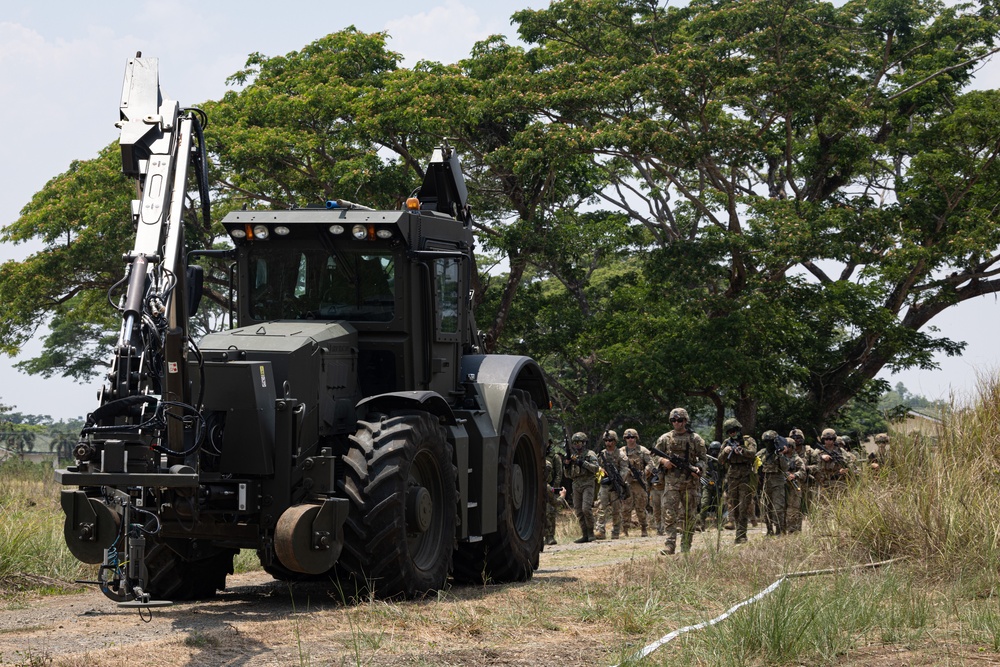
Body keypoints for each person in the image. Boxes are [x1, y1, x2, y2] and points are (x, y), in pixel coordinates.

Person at [652, 408, 706, 555]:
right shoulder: (665, 438)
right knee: (669, 514)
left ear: (685, 421)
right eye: (674, 420)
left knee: (689, 515)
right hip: (671, 483)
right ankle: (669, 545)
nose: (677, 423)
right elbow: (652, 456)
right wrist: (663, 461)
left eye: (680, 420)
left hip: (690, 483)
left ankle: (686, 546)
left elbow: (703, 459)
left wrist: (698, 469)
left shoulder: (695, 439)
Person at [720, 417, 757, 544]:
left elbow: (753, 453)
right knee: (734, 506)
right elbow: (720, 460)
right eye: (729, 431)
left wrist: (742, 451)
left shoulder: (748, 440)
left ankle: (742, 534)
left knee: (744, 506)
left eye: (734, 430)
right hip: (732, 476)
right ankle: (738, 532)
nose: (732, 433)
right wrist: (725, 452)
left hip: (746, 475)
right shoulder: (726, 442)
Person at [564, 432, 600, 543]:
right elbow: (568, 475)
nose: (577, 445)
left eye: (579, 442)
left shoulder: (590, 454)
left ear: (584, 443)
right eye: (574, 442)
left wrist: (582, 463)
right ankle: (584, 534)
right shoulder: (573, 456)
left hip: (588, 483)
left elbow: (596, 468)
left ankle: (590, 533)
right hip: (576, 484)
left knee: (586, 508)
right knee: (578, 511)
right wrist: (567, 465)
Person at [595, 431, 628, 540]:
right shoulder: (601, 455)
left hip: (615, 486)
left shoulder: (621, 455)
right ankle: (600, 531)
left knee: (616, 510)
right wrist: (601, 471)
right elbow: (595, 468)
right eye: (606, 441)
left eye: (610, 440)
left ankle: (616, 531)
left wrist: (618, 480)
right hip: (604, 485)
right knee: (601, 508)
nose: (608, 443)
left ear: (615, 441)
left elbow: (624, 470)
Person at [620, 428, 652, 537]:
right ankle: (625, 529)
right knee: (625, 508)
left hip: (639, 483)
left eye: (632, 437)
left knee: (641, 507)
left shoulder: (643, 451)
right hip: (626, 483)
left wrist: (645, 472)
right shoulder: (621, 452)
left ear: (636, 438)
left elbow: (651, 463)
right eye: (628, 438)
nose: (630, 440)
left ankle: (644, 528)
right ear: (625, 439)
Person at [758, 430, 791, 535]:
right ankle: (769, 530)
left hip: (778, 482)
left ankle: (779, 531)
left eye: (770, 441)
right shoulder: (762, 452)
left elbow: (785, 467)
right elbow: (754, 463)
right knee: (766, 507)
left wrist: (780, 455)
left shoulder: (780, 453)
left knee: (778, 507)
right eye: (766, 442)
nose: (768, 444)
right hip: (765, 482)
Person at [698, 440, 726, 529]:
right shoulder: (706, 460)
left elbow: (726, 473)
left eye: (717, 450)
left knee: (719, 505)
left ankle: (719, 524)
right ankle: (701, 524)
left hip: (719, 486)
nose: (714, 452)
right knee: (704, 504)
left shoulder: (722, 461)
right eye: (713, 450)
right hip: (707, 485)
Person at [543, 439, 564, 546]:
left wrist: (554, 487)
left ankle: (550, 536)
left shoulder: (554, 456)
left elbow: (559, 473)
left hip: (550, 486)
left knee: (550, 512)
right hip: (541, 485)